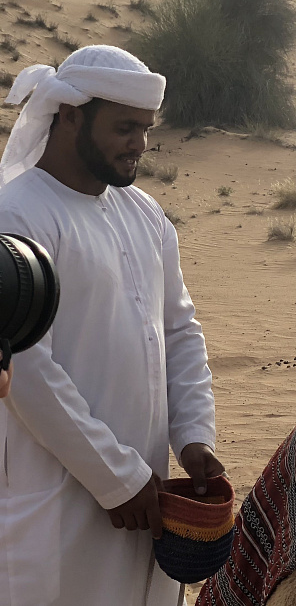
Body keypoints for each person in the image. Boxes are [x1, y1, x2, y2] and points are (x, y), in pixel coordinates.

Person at [0, 46, 223, 605]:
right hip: (54, 498)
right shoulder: (18, 215)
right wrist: (115, 478)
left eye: (145, 129)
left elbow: (178, 329)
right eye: (124, 127)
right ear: (70, 115)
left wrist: (194, 435)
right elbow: (24, 367)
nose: (139, 145)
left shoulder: (145, 214)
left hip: (144, 497)